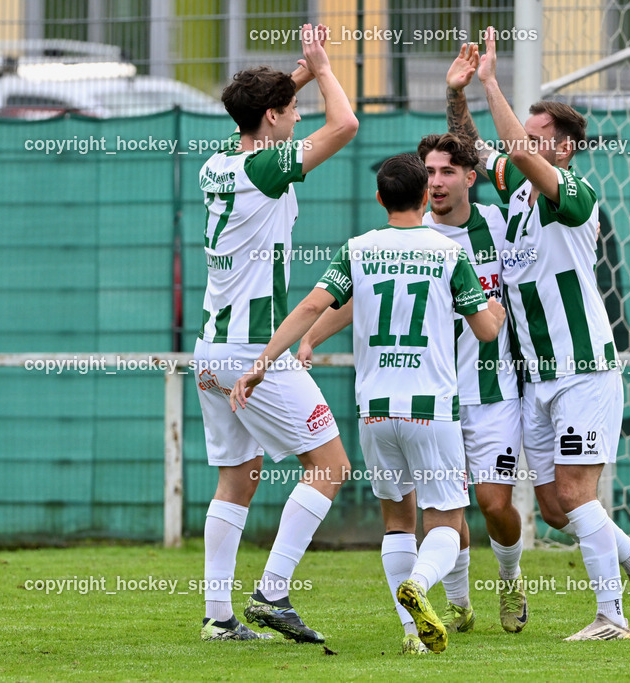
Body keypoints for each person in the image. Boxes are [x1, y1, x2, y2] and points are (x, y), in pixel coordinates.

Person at [230, 152, 506, 655]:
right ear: (425, 196)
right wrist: (496, 311)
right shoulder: (448, 252)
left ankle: (412, 635)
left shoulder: (358, 249)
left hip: (375, 409)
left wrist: (263, 363)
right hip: (431, 408)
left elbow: (312, 305)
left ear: (379, 198)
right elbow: (485, 331)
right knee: (445, 520)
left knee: (398, 521)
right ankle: (420, 584)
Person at [445, 33, 630, 641]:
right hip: (534, 378)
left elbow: (514, 149)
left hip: (582, 368)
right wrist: (457, 94)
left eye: (538, 136)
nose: (526, 142)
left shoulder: (576, 196)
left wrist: (492, 82)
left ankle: (609, 617)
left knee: (574, 492)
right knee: (552, 507)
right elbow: (472, 147)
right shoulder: (516, 192)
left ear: (564, 149)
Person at [297, 132, 528, 635]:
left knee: (492, 504)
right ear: (422, 188)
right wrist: (312, 335)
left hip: (489, 391)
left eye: (447, 171)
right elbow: (363, 299)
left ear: (470, 177)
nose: (438, 181)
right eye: (430, 172)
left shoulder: (498, 224)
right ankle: (459, 603)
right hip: (434, 397)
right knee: (446, 511)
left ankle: (509, 578)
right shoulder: (415, 237)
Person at [195, 23, 358, 642]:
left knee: (237, 477)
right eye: (291, 110)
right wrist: (325, 69)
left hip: (212, 349)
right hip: (254, 350)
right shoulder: (265, 168)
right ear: (271, 117)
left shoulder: (220, 160)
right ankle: (272, 591)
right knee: (331, 466)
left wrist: (300, 77)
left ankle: (218, 618)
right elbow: (345, 125)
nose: (299, 117)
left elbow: (257, 114)